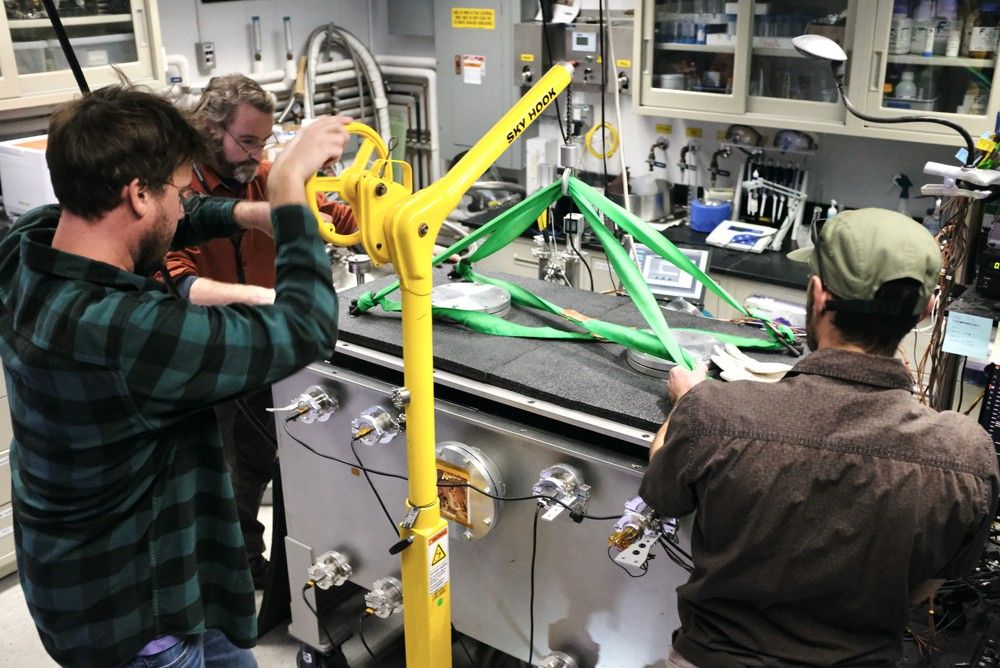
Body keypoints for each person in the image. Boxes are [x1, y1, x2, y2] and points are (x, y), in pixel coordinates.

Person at [0, 83, 350, 667]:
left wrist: (250, 213)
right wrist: (289, 191)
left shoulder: (27, 246)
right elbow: (307, 326)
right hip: (136, 619)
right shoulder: (123, 332)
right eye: (176, 192)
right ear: (139, 193)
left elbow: (165, 224)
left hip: (144, 572)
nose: (185, 206)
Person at [640, 208, 1000, 667]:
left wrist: (686, 401)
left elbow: (663, 492)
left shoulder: (715, 411)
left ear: (817, 295)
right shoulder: (966, 455)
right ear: (928, 309)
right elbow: (924, 588)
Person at [164, 74, 356, 589]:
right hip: (214, 356)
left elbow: (338, 217)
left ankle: (269, 565)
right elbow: (180, 280)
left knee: (264, 461)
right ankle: (241, 572)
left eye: (265, 141)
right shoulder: (178, 195)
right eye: (247, 140)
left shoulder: (267, 179)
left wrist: (370, 204)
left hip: (266, 355)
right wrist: (273, 301)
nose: (258, 153)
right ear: (210, 129)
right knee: (227, 476)